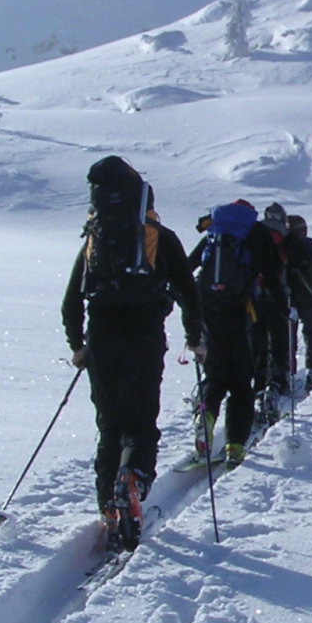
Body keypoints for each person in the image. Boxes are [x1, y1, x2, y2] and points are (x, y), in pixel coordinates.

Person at [61, 155, 201, 549]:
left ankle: (109, 506)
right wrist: (196, 336)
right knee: (140, 424)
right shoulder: (158, 235)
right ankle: (134, 481)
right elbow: (189, 293)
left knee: (109, 427)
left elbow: (71, 299)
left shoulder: (95, 235)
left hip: (101, 335)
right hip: (144, 333)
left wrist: (77, 344)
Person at [189, 199, 285, 468]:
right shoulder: (256, 232)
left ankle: (205, 416)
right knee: (242, 382)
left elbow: (190, 264)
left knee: (216, 373)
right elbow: (272, 273)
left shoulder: (216, 230)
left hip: (208, 308)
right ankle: (235, 446)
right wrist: (283, 307)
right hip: (240, 310)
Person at [251, 203, 294, 403]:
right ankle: (276, 382)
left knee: (258, 343)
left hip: (253, 299)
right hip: (278, 297)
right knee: (278, 342)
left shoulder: (253, 234)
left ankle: (258, 384)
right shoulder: (286, 237)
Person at [284, 213, 312, 391]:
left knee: (289, 337)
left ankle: (289, 373)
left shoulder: (281, 245)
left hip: (287, 296)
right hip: (309, 295)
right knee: (311, 334)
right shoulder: (309, 245)